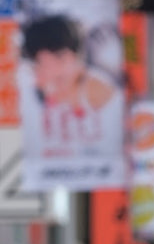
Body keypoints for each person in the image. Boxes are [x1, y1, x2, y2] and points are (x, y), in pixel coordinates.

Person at [19, 12, 123, 152]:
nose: (40, 70)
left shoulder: (96, 89)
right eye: (38, 64)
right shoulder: (41, 89)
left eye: (60, 58)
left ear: (70, 55)